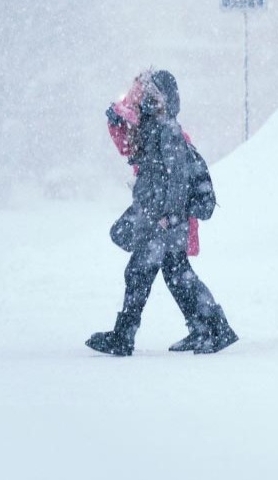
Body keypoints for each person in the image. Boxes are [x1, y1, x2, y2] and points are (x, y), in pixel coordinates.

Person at [87, 70, 237, 356]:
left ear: (165, 100)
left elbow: (175, 179)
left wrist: (167, 217)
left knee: (141, 273)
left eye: (153, 96)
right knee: (175, 274)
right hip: (159, 218)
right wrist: (118, 122)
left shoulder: (167, 130)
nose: (146, 100)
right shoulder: (156, 127)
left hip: (162, 221)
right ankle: (210, 327)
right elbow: (134, 154)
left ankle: (124, 336)